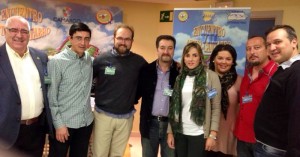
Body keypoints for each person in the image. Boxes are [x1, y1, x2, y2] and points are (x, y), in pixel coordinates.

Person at [0, 15, 53, 157]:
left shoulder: (41, 57)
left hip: (36, 131)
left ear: (29, 34)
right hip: (5, 133)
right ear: (5, 32)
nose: (19, 35)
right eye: (13, 30)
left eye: (24, 31)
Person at [92, 24, 147, 157]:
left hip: (126, 118)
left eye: (127, 39)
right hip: (103, 116)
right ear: (114, 39)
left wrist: (176, 66)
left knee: (117, 154)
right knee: (99, 154)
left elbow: (152, 76)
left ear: (132, 41)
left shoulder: (139, 62)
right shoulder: (100, 60)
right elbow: (89, 83)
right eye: (120, 38)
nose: (123, 42)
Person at [47, 22, 94, 157]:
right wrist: (59, 125)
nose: (83, 43)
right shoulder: (57, 62)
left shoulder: (89, 60)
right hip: (64, 125)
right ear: (70, 39)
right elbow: (52, 96)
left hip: (85, 123)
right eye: (79, 38)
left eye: (86, 39)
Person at [167, 42, 222, 157]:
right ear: (183, 58)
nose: (190, 59)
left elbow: (215, 107)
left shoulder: (211, 77)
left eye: (194, 55)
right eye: (187, 55)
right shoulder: (180, 78)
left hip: (199, 133)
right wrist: (170, 132)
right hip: (180, 132)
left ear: (200, 57)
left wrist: (212, 135)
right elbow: (173, 107)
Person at [254, 25, 300, 157]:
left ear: (294, 42)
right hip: (268, 147)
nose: (272, 48)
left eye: (277, 42)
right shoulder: (284, 68)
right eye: (269, 44)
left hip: (275, 151)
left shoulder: (297, 72)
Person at [234, 36, 277, 157]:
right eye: (248, 49)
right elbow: (244, 101)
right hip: (242, 137)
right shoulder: (247, 73)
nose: (252, 52)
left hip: (265, 142)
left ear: (267, 49)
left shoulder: (277, 73)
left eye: (257, 48)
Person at [137, 35, 179, 157]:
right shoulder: (146, 70)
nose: (166, 51)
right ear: (157, 49)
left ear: (174, 50)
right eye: (162, 47)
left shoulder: (179, 72)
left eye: (170, 48)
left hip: (171, 127)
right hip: (149, 124)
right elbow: (136, 93)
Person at [207, 44, 242, 157]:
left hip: (228, 135)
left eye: (228, 59)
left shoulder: (240, 81)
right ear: (213, 59)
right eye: (220, 58)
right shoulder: (204, 78)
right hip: (206, 134)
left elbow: (245, 104)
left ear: (233, 62)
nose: (224, 62)